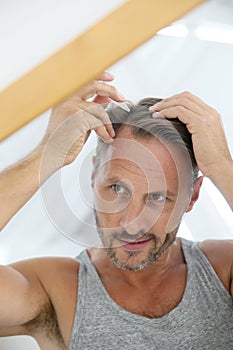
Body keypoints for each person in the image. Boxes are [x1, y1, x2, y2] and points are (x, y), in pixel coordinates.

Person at [0, 71, 232, 350]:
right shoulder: (55, 290)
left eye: (157, 197)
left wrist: (222, 165)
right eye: (117, 189)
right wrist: (46, 154)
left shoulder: (222, 271)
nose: (132, 223)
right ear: (94, 176)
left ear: (191, 196)